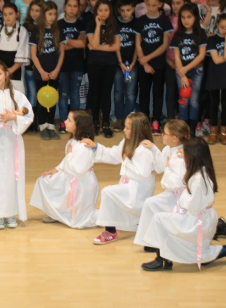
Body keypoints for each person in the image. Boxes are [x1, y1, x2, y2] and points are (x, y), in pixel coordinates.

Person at [140, 138, 222, 271]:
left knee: (159, 219)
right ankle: (165, 258)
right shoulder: (201, 171)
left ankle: (162, 259)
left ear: (193, 155)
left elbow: (192, 205)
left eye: (184, 151)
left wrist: (182, 197)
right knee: (165, 221)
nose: (180, 151)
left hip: (196, 221)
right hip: (201, 218)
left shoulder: (198, 179)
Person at [82, 112, 157, 244]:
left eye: (127, 128)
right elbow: (114, 154)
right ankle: (136, 222)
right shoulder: (127, 142)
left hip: (139, 189)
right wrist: (96, 147)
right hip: (128, 184)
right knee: (114, 197)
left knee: (108, 192)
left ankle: (110, 232)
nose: (124, 130)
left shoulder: (144, 149)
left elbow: (143, 172)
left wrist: (126, 161)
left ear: (137, 131)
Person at [0, 59, 34, 229]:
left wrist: (14, 117)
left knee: (11, 175)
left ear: (6, 74)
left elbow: (28, 114)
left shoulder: (18, 95)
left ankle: (10, 212)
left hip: (11, 139)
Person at [30, 110, 98, 229]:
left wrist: (70, 154)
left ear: (78, 125)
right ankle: (56, 213)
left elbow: (77, 170)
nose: (65, 122)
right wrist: (56, 169)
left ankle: (110, 216)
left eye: (69, 120)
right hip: (69, 175)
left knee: (79, 222)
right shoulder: (73, 140)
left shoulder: (83, 146)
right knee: (44, 180)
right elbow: (66, 161)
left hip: (81, 183)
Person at [134, 120, 190, 250]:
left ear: (174, 138)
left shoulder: (181, 155)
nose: (162, 135)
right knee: (149, 203)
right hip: (171, 193)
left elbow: (176, 183)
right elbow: (159, 167)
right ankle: (150, 241)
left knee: (153, 205)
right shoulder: (168, 149)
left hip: (180, 198)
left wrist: (167, 169)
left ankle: (156, 241)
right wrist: (153, 149)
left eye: (165, 133)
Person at [135, 0, 174, 135]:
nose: (150, 8)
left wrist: (147, 58)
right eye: (148, 5)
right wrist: (142, 61)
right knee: (144, 93)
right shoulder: (141, 21)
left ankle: (156, 121)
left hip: (158, 64)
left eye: (153, 5)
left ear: (160, 5)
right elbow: (138, 43)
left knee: (158, 93)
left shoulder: (164, 20)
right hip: (143, 65)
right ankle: (144, 122)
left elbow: (165, 45)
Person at [86, 0, 121, 138]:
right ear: (96, 11)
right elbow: (93, 43)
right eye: (100, 10)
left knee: (106, 94)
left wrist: (97, 47)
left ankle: (106, 123)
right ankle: (95, 122)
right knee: (95, 94)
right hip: (94, 64)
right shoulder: (90, 24)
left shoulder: (114, 24)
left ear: (110, 11)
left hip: (110, 64)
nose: (103, 13)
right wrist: (98, 25)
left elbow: (116, 46)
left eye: (106, 10)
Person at [30, 0, 64, 141]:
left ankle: (51, 125)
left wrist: (56, 70)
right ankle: (42, 125)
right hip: (41, 73)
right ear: (44, 14)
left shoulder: (58, 30)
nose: (52, 17)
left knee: (52, 99)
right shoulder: (36, 30)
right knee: (42, 100)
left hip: (54, 72)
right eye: (50, 14)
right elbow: (33, 54)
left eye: (55, 14)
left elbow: (62, 53)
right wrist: (42, 72)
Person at [171, 3, 207, 134]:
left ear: (195, 18)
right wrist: (182, 74)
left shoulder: (201, 33)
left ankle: (192, 127)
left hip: (196, 71)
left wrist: (186, 69)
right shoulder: (177, 35)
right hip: (181, 72)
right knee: (183, 100)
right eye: (183, 17)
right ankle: (183, 127)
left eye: (189, 17)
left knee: (194, 99)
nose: (186, 20)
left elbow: (201, 55)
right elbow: (177, 57)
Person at [0, 2, 30, 94]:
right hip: (0, 68)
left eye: (10, 14)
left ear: (17, 14)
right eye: (5, 14)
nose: (8, 17)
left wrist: (10, 71)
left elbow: (22, 51)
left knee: (16, 95)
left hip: (15, 68)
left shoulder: (22, 31)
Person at [57, 0, 86, 133]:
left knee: (75, 95)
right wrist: (74, 43)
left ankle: (76, 123)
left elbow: (82, 44)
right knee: (63, 95)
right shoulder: (58, 24)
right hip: (62, 66)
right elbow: (59, 47)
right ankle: (63, 122)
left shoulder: (81, 24)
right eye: (70, 5)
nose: (72, 9)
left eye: (75, 6)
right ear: (65, 6)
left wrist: (67, 41)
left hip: (77, 66)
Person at [113, 0, 137, 132]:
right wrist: (120, 62)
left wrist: (133, 63)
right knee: (117, 93)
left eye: (128, 10)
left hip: (132, 65)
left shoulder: (137, 23)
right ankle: (119, 119)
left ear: (133, 9)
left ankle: (129, 121)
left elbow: (138, 46)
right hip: (118, 64)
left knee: (130, 93)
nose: (125, 13)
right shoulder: (115, 23)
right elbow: (115, 45)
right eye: (122, 10)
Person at [22, 0, 45, 133]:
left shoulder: (44, 27)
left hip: (43, 67)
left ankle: (40, 120)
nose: (35, 13)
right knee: (31, 92)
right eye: (32, 10)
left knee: (40, 94)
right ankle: (31, 121)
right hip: (29, 65)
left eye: (38, 10)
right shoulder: (25, 27)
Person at [165, 0, 189, 122]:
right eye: (173, 3)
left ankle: (183, 121)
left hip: (186, 63)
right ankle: (170, 120)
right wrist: (168, 60)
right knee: (171, 92)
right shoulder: (167, 20)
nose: (175, 6)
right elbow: (163, 43)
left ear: (185, 3)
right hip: (170, 61)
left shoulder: (189, 20)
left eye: (178, 3)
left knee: (184, 93)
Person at [205, 13, 226, 144]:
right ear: (217, 25)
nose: (225, 30)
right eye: (223, 27)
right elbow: (217, 60)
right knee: (213, 103)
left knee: (225, 103)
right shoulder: (212, 40)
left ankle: (223, 130)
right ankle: (213, 130)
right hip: (214, 75)